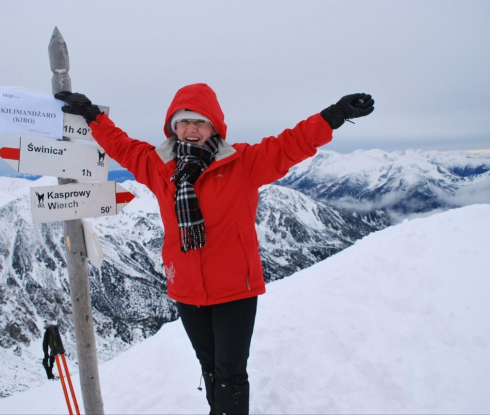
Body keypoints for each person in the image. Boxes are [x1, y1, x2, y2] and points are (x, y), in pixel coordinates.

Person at [55, 84, 374, 414]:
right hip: (187, 288)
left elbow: (289, 145)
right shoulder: (158, 165)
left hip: (235, 287)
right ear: (172, 127)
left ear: (215, 127)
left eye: (200, 122)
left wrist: (333, 116)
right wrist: (92, 114)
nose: (191, 130)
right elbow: (121, 146)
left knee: (231, 373)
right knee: (209, 367)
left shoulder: (243, 162)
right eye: (183, 122)